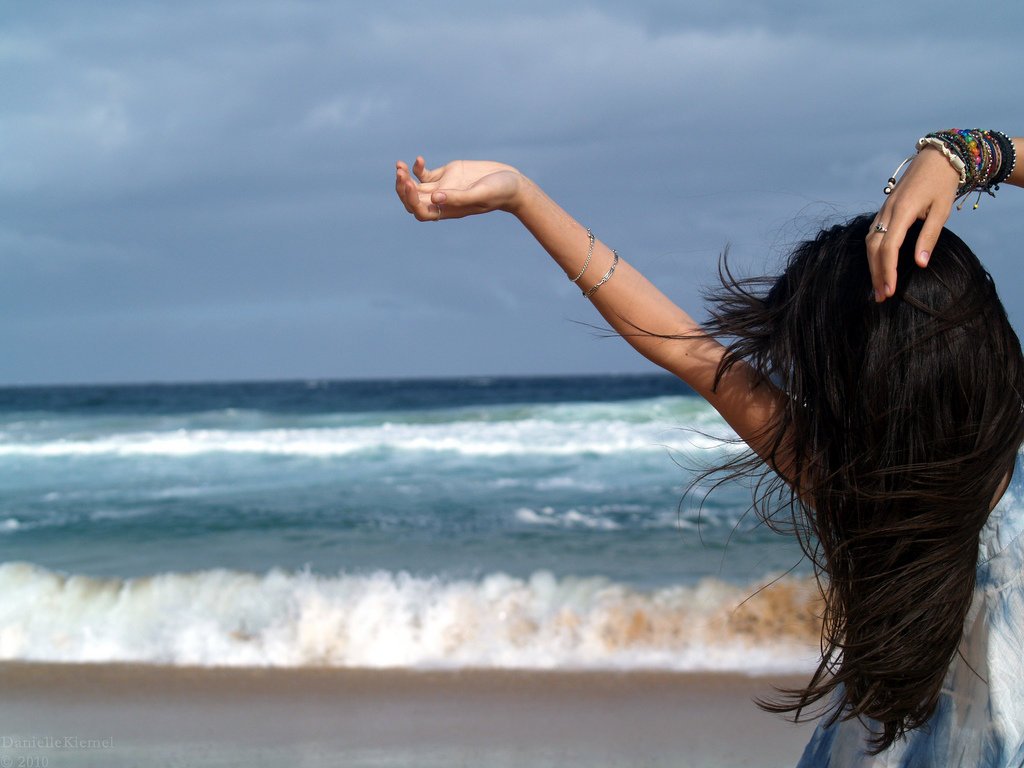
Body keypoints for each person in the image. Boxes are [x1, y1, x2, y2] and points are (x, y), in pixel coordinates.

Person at [394, 129, 1024, 766]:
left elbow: (681, 345)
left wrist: (522, 197)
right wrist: (968, 155)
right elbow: (678, 344)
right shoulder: (856, 481)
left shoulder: (850, 485)